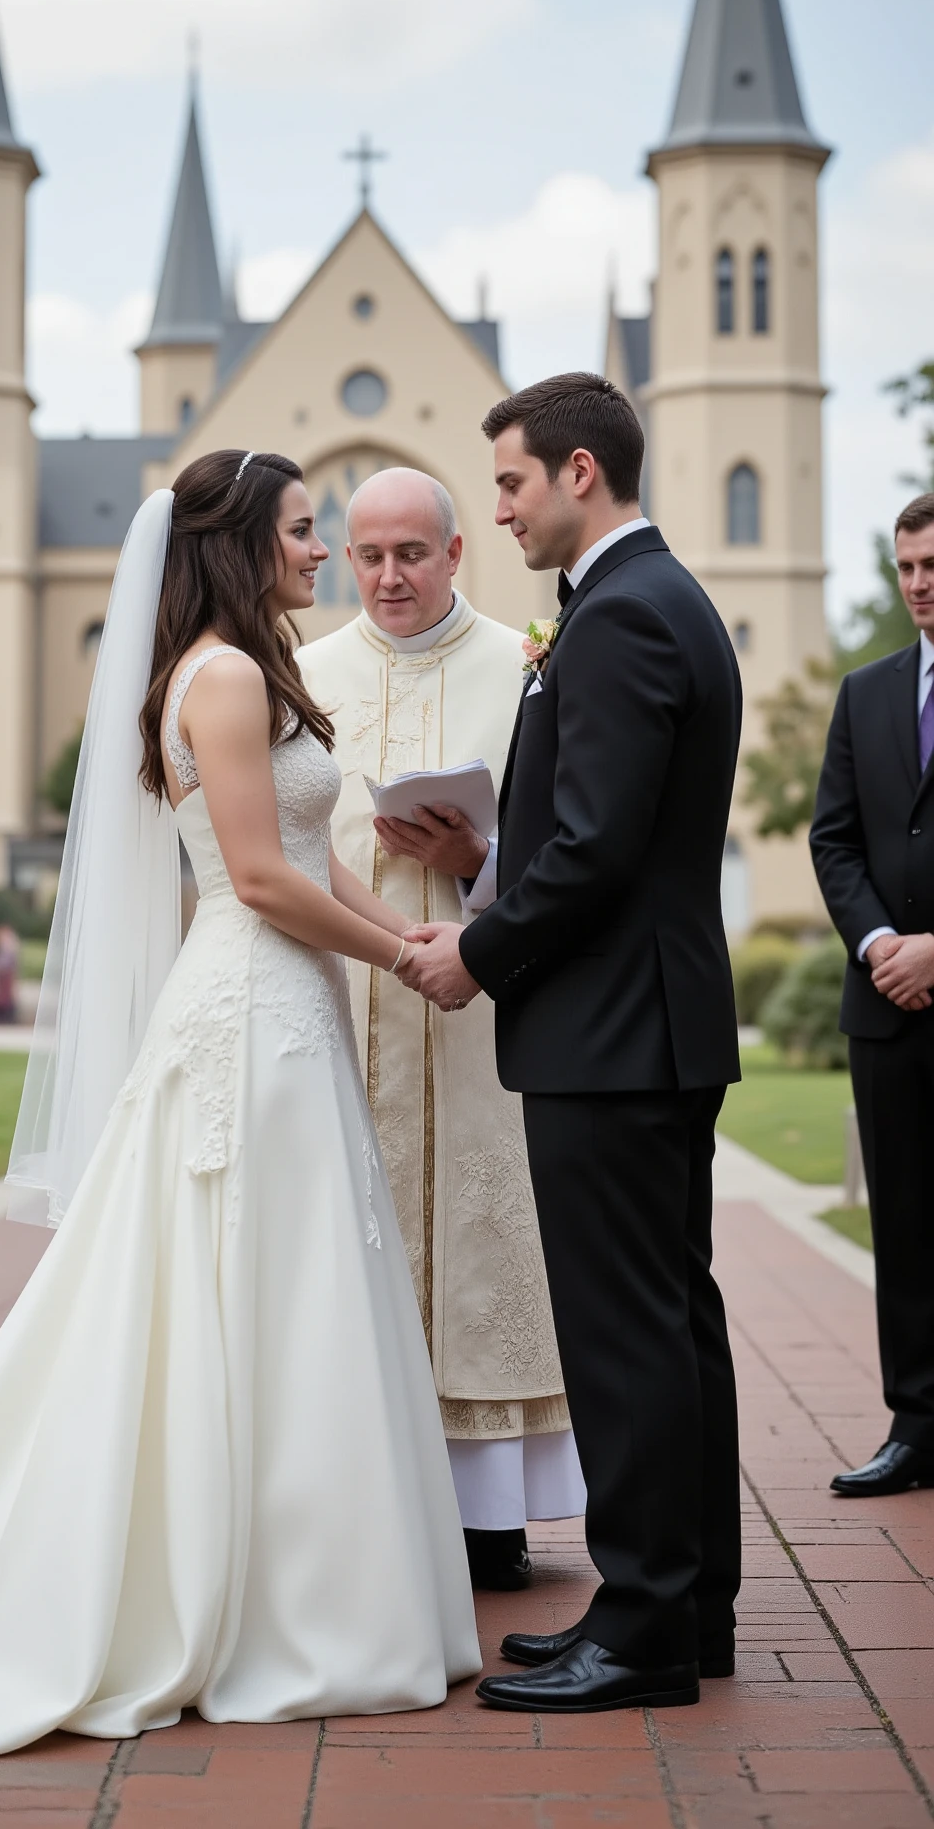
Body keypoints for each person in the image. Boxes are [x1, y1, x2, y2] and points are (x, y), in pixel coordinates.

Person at [0, 450, 479, 1769]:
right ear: (243, 541)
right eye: (304, 530)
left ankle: (297, 1580)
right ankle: (262, 1602)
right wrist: (400, 958)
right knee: (252, 1282)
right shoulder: (223, 676)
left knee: (288, 1284)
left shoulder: (248, 668)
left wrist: (432, 939)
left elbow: (315, 859)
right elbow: (257, 878)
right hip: (249, 1013)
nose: (322, 552)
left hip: (287, 1006)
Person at [404, 373, 743, 1714]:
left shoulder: (621, 616)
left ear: (579, 471)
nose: (499, 510)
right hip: (646, 1022)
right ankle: (684, 1606)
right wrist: (488, 859)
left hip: (611, 1033)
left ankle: (645, 1624)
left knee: (623, 1335)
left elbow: (597, 849)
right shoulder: (650, 601)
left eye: (510, 482)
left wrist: (476, 950)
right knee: (672, 1320)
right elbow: (609, 833)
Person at [299, 468, 582, 1593]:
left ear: (455, 553)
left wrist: (477, 859)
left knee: (486, 1244)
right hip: (347, 1003)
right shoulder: (306, 673)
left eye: (410, 553)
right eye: (368, 555)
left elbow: (567, 850)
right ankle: (354, 1503)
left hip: (483, 1014)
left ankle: (485, 1518)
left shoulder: (523, 666)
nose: (388, 577)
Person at [810, 492, 934, 1498]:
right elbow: (834, 838)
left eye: (932, 564)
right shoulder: (864, 693)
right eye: (906, 566)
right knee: (902, 1222)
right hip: (884, 1006)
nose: (919, 583)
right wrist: (881, 942)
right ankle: (916, 1426)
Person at [0, 923, 20, 1025]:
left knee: (6, 1002)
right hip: (0, 982)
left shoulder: (9, 951)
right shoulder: (0, 952)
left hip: (5, 981)